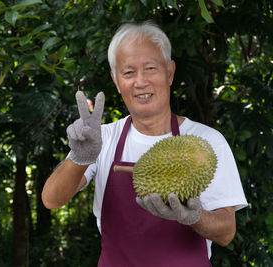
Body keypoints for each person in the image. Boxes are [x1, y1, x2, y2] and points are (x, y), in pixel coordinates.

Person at [42, 21, 247, 266]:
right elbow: (51, 200)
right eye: (128, 73)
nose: (140, 82)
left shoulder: (207, 142)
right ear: (116, 81)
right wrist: (79, 158)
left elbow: (226, 233)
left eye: (150, 68)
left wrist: (194, 216)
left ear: (169, 73)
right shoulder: (102, 138)